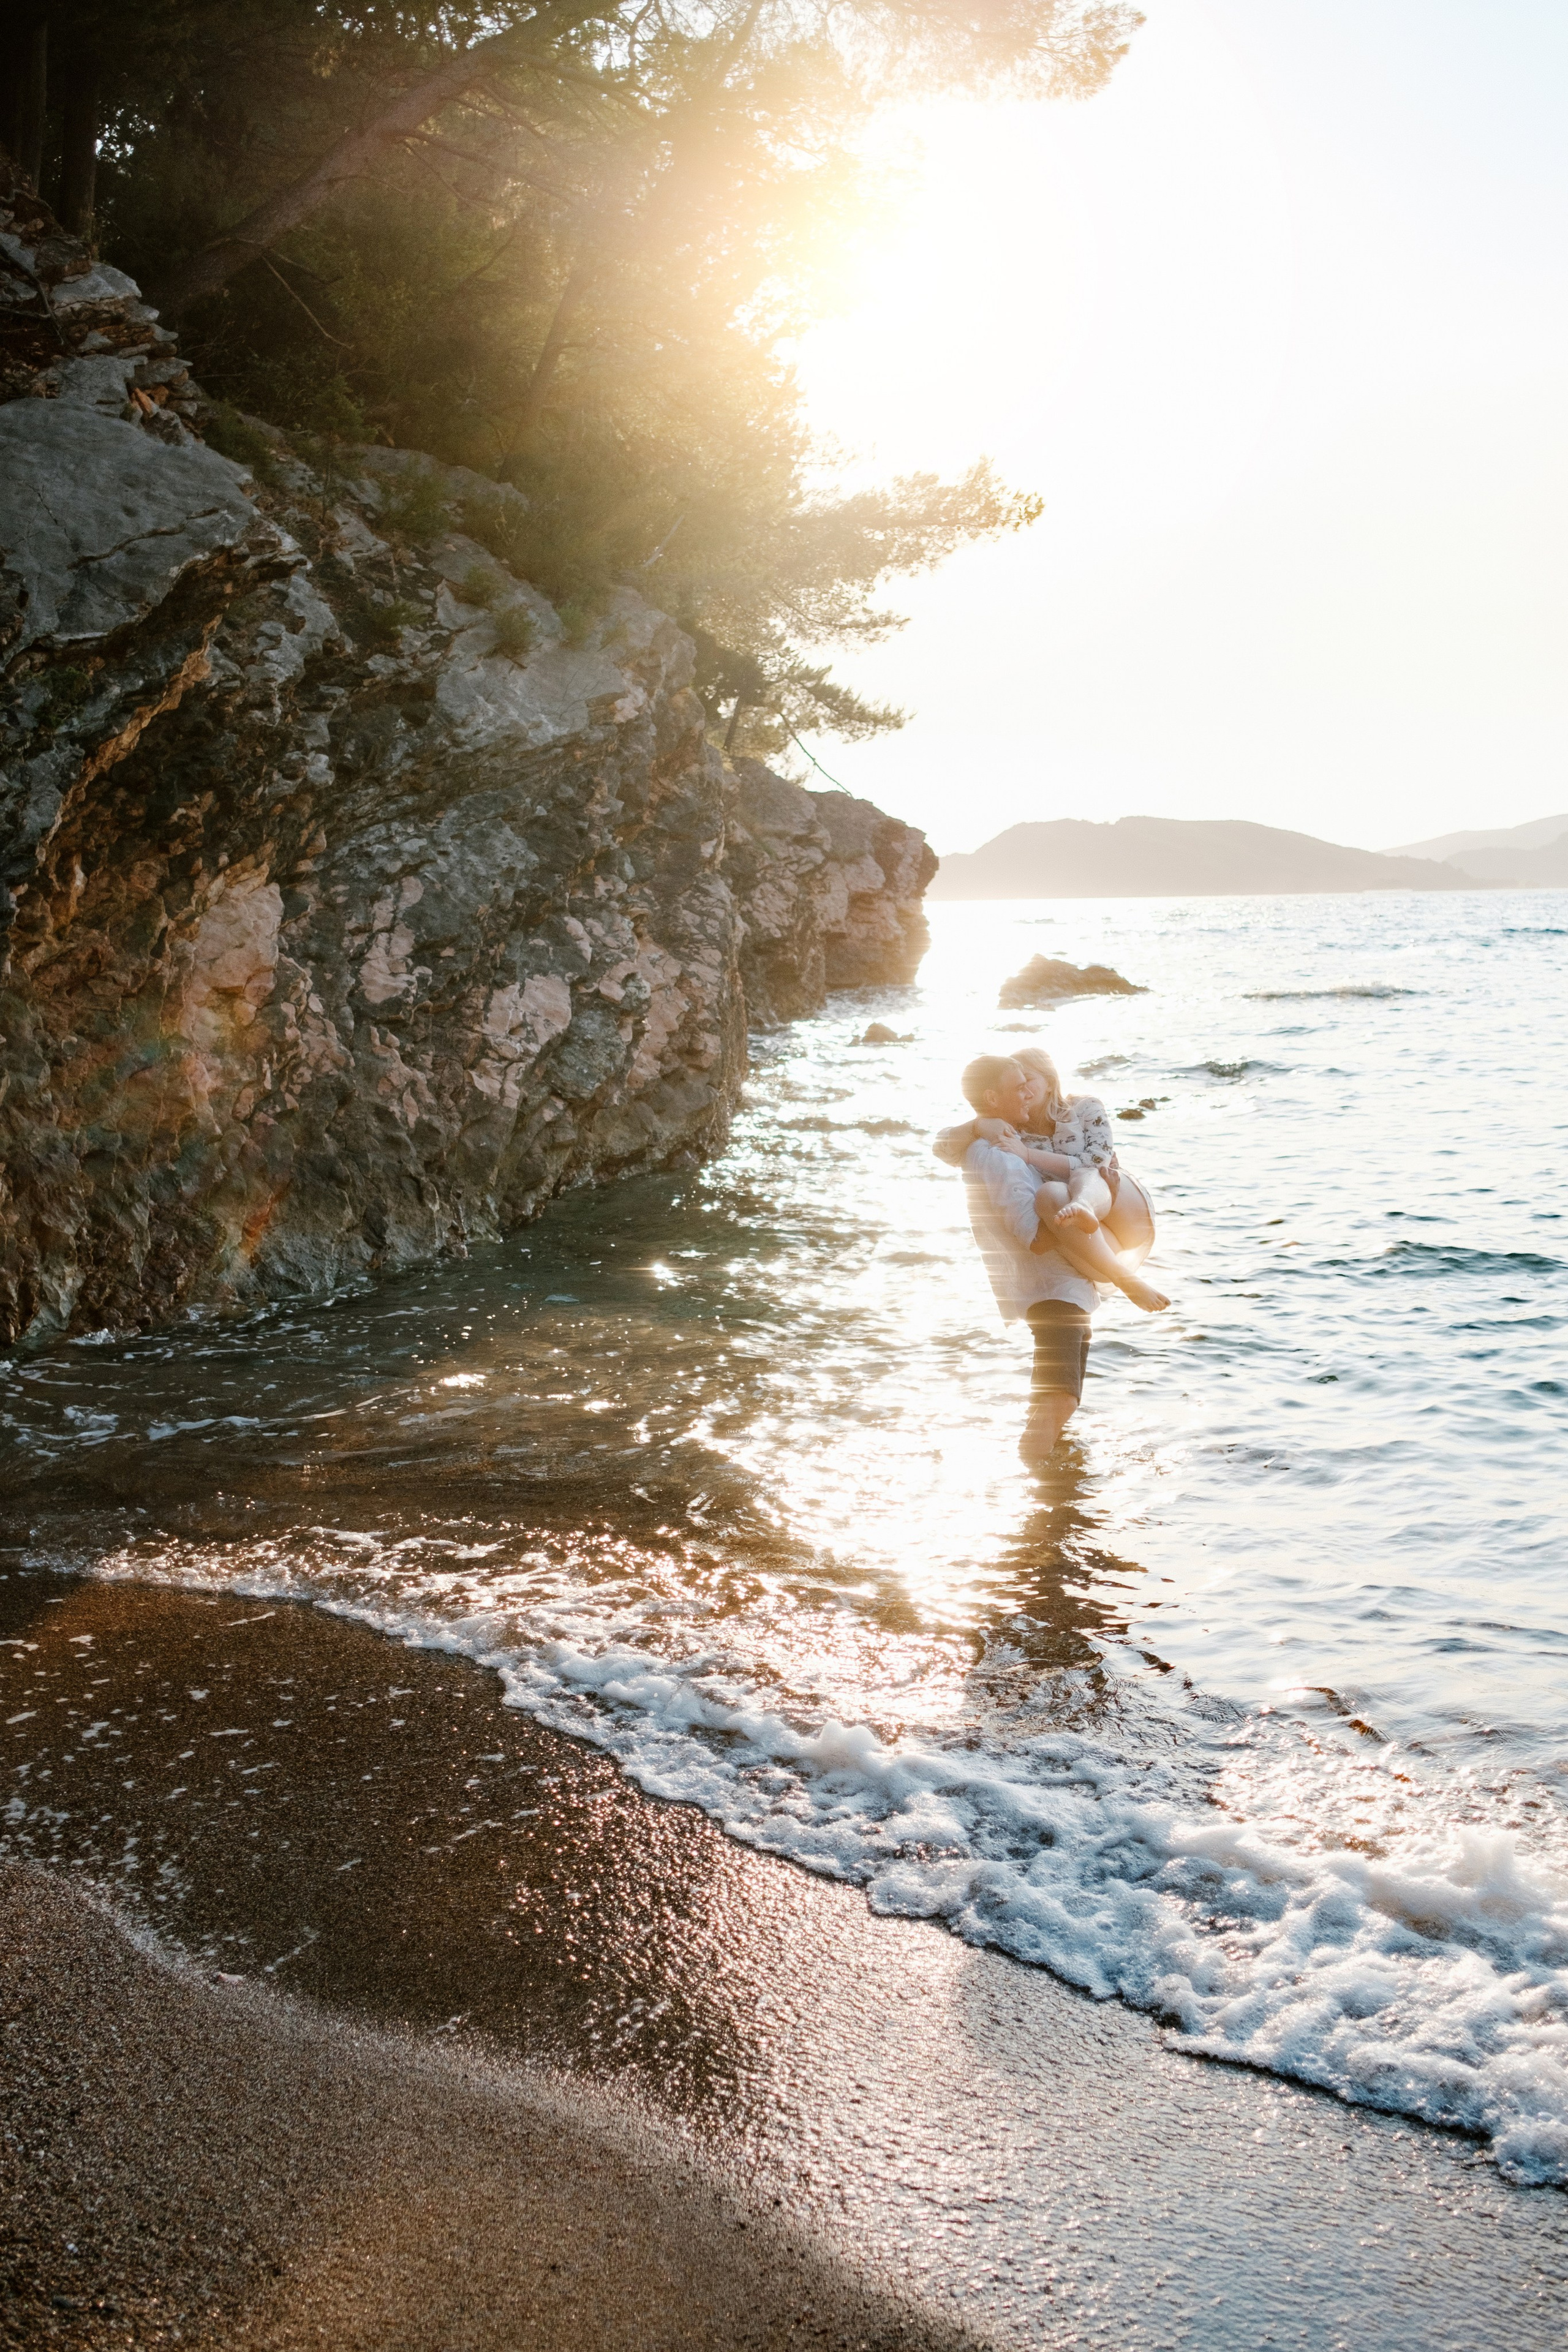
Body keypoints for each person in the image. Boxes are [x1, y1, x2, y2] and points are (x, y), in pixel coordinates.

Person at [934, 1052, 1168, 1464]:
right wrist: (1064, 1225)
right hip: (1054, 1288)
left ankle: (1052, 1485)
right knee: (1059, 1396)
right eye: (1017, 1087)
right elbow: (1035, 1237)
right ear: (993, 1096)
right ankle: (1039, 1485)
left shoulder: (1007, 1137)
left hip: (1069, 1280)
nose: (1026, 1095)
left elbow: (944, 1145)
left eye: (1030, 1084)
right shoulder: (1001, 1152)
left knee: (1063, 1394)